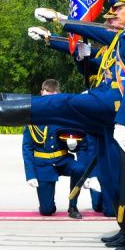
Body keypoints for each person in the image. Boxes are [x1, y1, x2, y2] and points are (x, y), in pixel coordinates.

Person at [0, 0, 125, 250]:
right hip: (109, 106)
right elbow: (91, 34)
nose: (113, 13)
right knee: (111, 175)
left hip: (113, 106)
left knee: (61, 103)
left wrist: (122, 121)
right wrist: (62, 22)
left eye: (118, 9)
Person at [20, 80, 91, 219]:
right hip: (43, 164)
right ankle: (48, 203)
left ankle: (73, 206)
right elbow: (27, 148)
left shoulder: (66, 116)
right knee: (47, 210)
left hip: (62, 159)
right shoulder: (33, 118)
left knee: (79, 168)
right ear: (41, 93)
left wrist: (74, 145)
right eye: (47, 97)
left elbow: (82, 144)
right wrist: (30, 174)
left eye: (53, 98)